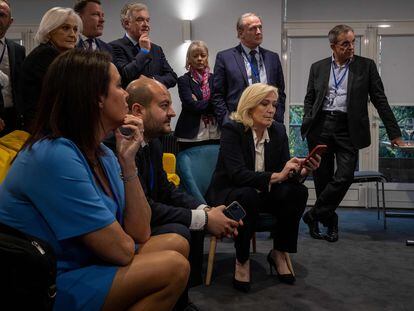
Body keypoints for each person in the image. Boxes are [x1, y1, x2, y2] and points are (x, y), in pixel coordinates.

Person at [0, 49, 190, 311]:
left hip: (84, 261)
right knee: (173, 267)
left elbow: (140, 232)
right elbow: (121, 250)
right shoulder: (53, 155)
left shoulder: (104, 153)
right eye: (119, 85)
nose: (125, 93)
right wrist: (124, 241)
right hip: (48, 283)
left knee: (177, 242)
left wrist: (128, 162)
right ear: (95, 98)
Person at [107, 76, 240, 310]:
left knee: (194, 222)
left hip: (145, 217)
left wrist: (204, 209)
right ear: (137, 110)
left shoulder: (154, 141)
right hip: (122, 227)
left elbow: (166, 190)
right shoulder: (119, 144)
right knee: (186, 227)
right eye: (164, 105)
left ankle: (182, 298)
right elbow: (143, 205)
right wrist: (206, 219)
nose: (173, 113)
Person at [206, 83, 319, 292]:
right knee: (247, 195)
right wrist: (278, 175)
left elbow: (285, 173)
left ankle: (279, 251)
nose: (271, 110)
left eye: (274, 105)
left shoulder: (278, 130)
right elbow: (237, 174)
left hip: (264, 192)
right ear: (249, 106)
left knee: (297, 192)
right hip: (230, 192)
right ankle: (242, 259)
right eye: (265, 104)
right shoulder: (233, 129)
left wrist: (302, 171)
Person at [301, 24, 404, 243]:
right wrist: (306, 120)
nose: (351, 47)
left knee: (345, 176)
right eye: (345, 43)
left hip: (348, 129)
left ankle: (313, 214)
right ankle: (329, 223)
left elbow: (380, 99)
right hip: (320, 127)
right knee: (322, 178)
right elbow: (310, 97)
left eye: (353, 42)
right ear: (333, 46)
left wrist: (394, 132)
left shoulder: (366, 66)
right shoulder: (317, 67)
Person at [212, 12, 286, 126]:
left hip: (268, 123)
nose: (259, 32)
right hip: (237, 124)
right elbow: (217, 95)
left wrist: (278, 118)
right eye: (253, 28)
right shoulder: (225, 58)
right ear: (240, 32)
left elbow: (280, 92)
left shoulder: (272, 58)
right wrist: (226, 121)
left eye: (260, 27)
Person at [20, 7, 81, 131]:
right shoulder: (45, 55)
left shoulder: (58, 55)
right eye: (65, 28)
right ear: (49, 31)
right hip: (44, 130)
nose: (73, 34)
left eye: (75, 29)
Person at [110, 2, 177, 88]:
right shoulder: (114, 47)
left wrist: (152, 81)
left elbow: (172, 77)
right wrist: (144, 52)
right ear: (126, 23)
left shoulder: (156, 49)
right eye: (140, 20)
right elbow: (124, 76)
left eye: (147, 20)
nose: (146, 24)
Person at [175, 41, 220, 150]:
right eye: (195, 56)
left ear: (207, 58)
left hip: (215, 133)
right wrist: (212, 101)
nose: (199, 58)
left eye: (203, 55)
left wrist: (199, 102)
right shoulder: (184, 80)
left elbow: (220, 103)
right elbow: (191, 106)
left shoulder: (215, 79)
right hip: (190, 136)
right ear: (189, 59)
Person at [0, 0, 25, 134]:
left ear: (10, 21)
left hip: (12, 117)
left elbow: (22, 85)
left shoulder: (18, 50)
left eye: (1, 15)